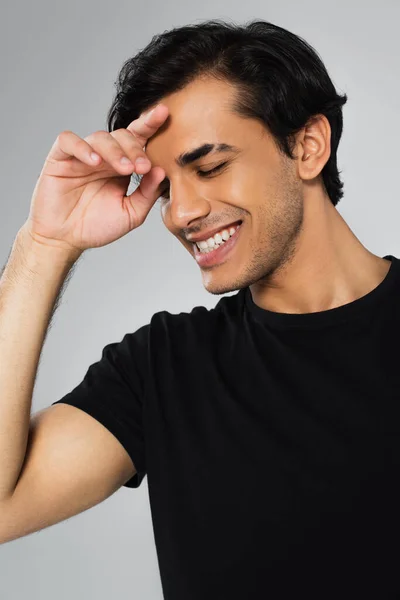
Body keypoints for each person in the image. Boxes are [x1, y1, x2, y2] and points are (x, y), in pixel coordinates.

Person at [0, 17, 398, 600]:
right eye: (164, 189)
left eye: (209, 167)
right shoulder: (162, 367)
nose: (179, 213)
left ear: (308, 146)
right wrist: (45, 244)